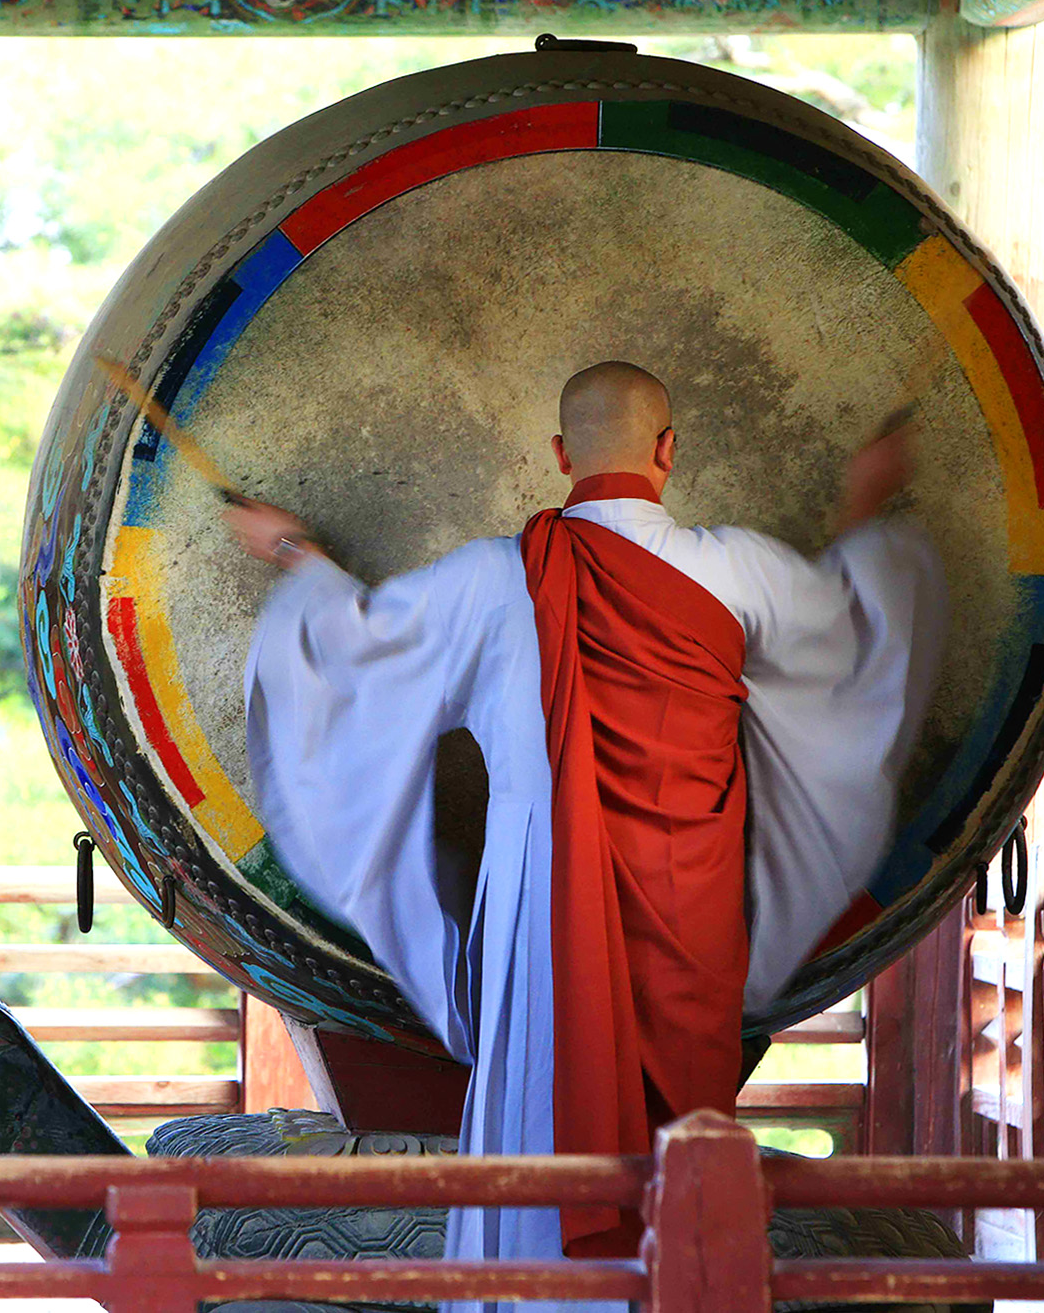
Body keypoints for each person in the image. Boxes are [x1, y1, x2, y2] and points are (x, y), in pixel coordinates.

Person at [228, 362, 944, 1287]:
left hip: (544, 901)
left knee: (538, 1107)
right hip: (693, 901)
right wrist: (864, 506)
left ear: (560, 456)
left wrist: (293, 552)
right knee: (684, 1142)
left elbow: (357, 643)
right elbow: (849, 633)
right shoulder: (737, 567)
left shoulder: (497, 578)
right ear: (669, 451)